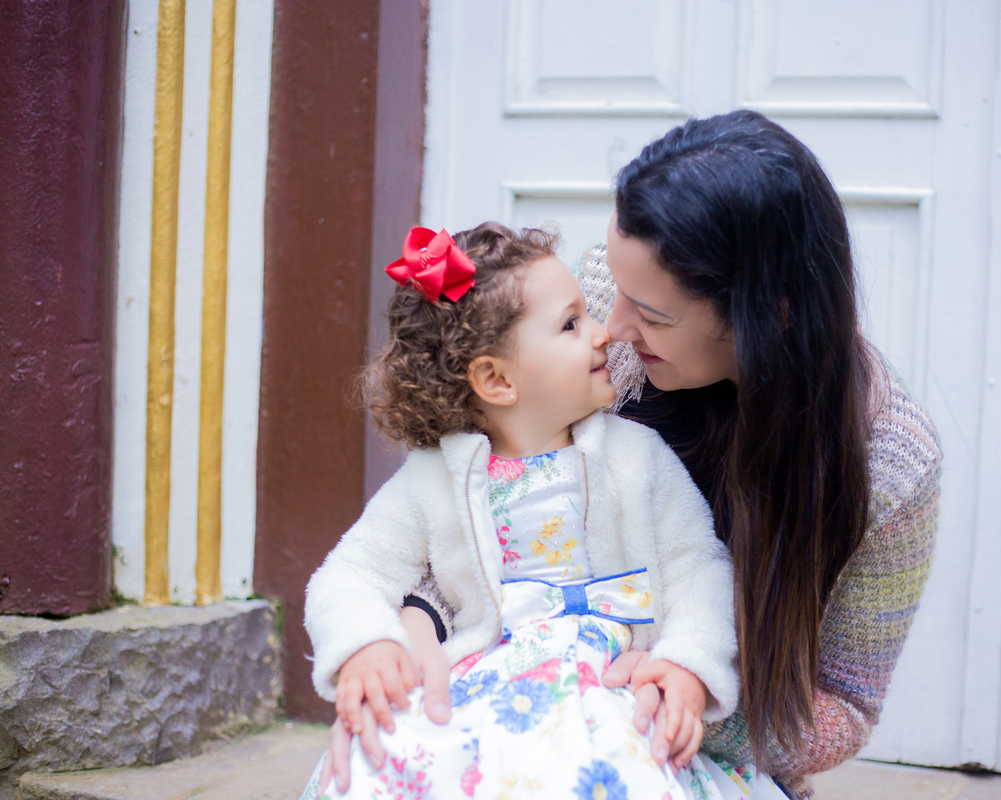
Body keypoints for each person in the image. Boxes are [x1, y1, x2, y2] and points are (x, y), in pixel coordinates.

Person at [337, 111, 944, 800]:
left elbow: (844, 704)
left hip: (661, 749)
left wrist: (675, 704)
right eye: (609, 287)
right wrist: (399, 674)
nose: (611, 328)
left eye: (650, 315)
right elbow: (451, 525)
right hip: (500, 713)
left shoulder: (891, 464)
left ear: (765, 317)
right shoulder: (594, 302)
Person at [300, 222, 785, 799]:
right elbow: (352, 572)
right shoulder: (435, 478)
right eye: (571, 323)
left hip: (606, 685)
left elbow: (698, 567)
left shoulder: (636, 456)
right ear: (497, 379)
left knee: (610, 771)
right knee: (383, 760)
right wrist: (367, 644)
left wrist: (687, 665)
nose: (603, 333)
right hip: (482, 684)